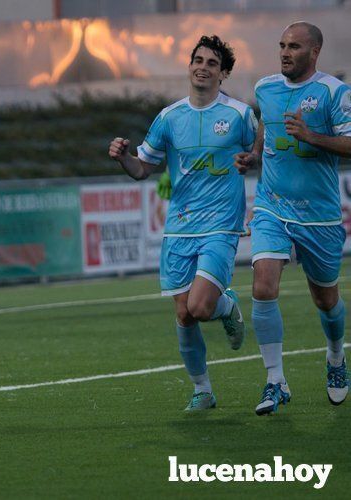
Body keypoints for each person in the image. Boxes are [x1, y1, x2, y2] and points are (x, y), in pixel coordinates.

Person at [109, 35, 254, 411]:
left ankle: (227, 307)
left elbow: (262, 153)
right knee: (184, 314)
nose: (202, 67)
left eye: (211, 63)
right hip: (179, 228)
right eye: (198, 60)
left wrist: (252, 163)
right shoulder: (169, 117)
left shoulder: (239, 115)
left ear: (223, 74)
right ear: (189, 66)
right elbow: (143, 168)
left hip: (220, 226)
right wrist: (124, 158)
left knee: (202, 306)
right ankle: (202, 389)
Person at [234, 22, 351, 415]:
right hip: (272, 205)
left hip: (319, 217)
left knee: (326, 300)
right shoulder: (266, 87)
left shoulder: (334, 93)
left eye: (295, 47)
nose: (285, 52)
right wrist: (253, 155)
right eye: (282, 45)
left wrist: (311, 136)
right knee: (263, 285)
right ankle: (275, 380)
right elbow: (265, 127)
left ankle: (336, 357)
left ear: (314, 52)